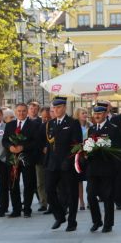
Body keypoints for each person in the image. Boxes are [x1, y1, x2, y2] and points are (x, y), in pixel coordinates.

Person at [44, 97, 83, 232]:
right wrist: (47, 162)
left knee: (72, 193)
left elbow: (77, 144)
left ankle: (72, 221)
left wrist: (69, 160)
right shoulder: (51, 124)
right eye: (54, 108)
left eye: (59, 107)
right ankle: (59, 216)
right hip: (53, 164)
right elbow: (49, 145)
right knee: (49, 190)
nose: (56, 110)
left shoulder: (73, 123)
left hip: (68, 164)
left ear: (64, 107)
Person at [86, 102, 119, 233]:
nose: (97, 115)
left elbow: (111, 147)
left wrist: (98, 145)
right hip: (93, 168)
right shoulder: (92, 129)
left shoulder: (112, 128)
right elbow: (88, 145)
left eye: (100, 113)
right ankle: (97, 221)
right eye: (95, 113)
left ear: (105, 114)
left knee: (107, 197)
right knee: (90, 195)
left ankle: (108, 223)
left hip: (107, 168)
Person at [3, 103, 38, 218]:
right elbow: (4, 141)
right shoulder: (9, 125)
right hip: (13, 160)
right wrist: (10, 147)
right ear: (15, 112)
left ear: (27, 111)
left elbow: (35, 142)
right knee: (13, 185)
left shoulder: (33, 125)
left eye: (23, 111)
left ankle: (27, 208)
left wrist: (23, 147)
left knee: (29, 184)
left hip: (27, 159)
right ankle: (16, 209)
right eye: (19, 111)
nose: (21, 113)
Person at [35, 105, 51, 213]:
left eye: (47, 117)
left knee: (51, 182)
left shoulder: (54, 125)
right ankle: (43, 202)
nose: (45, 120)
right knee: (40, 182)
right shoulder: (38, 126)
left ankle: (53, 203)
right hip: (40, 158)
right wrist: (42, 147)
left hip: (51, 158)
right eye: (43, 117)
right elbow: (36, 141)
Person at [75, 106, 91, 210]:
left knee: (90, 179)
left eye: (86, 113)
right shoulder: (74, 126)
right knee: (79, 180)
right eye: (83, 113)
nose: (85, 115)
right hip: (78, 155)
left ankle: (90, 200)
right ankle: (81, 202)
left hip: (89, 155)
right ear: (77, 115)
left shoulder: (90, 125)